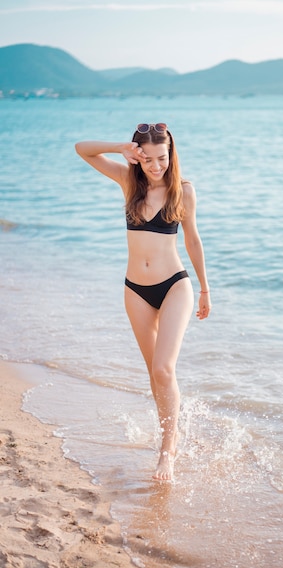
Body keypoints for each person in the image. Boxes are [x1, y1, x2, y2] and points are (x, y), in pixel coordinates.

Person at [75, 122, 211, 481]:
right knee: (154, 373)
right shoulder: (127, 182)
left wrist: (206, 288)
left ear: (171, 154)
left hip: (174, 286)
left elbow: (193, 241)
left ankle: (167, 450)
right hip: (135, 290)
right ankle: (170, 432)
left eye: (161, 158)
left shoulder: (183, 191)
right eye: (147, 158)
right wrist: (121, 146)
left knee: (164, 369)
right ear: (138, 157)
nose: (155, 165)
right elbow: (82, 147)